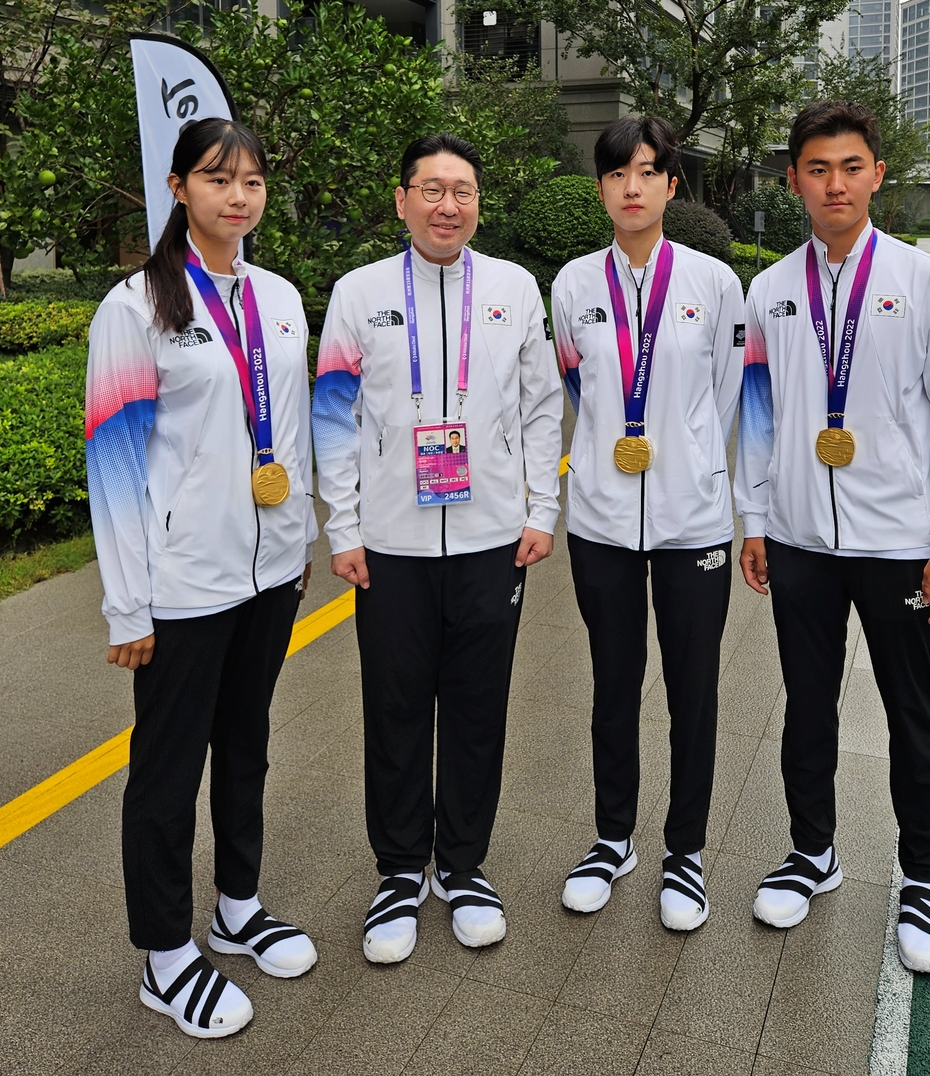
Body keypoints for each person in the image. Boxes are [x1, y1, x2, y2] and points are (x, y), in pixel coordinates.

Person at [735, 100, 930, 974]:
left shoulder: (925, 282)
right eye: (815, 168)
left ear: (877, 173)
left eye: (850, 167)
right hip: (800, 542)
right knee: (806, 705)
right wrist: (757, 520)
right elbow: (758, 420)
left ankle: (922, 881)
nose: (833, 184)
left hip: (901, 546)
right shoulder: (770, 292)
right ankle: (814, 852)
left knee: (913, 714)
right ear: (794, 178)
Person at [86, 117, 318, 1038]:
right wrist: (127, 603)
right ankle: (165, 955)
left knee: (248, 743)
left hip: (266, 574)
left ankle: (237, 905)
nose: (239, 195)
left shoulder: (282, 298)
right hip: (180, 584)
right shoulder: (137, 305)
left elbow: (288, 429)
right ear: (179, 188)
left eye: (253, 180)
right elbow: (113, 461)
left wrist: (295, 542)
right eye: (219, 178)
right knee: (167, 769)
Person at [312, 133, 562, 964]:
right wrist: (343, 527)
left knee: (478, 705)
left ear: (478, 204)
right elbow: (333, 421)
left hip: (494, 539)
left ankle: (461, 865)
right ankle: (397, 871)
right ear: (402, 200)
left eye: (463, 191)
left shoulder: (516, 289)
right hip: (390, 546)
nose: (447, 205)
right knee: (393, 705)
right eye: (432, 189)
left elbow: (539, 407)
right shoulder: (358, 294)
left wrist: (542, 509)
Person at [551, 116, 743, 931]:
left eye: (647, 172)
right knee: (612, 684)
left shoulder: (713, 284)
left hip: (693, 523)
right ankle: (612, 836)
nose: (631, 187)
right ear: (600, 188)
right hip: (599, 524)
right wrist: (608, 455)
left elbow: (727, 395)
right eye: (616, 173)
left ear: (671, 184)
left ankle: (686, 852)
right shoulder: (569, 286)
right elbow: (576, 392)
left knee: (693, 692)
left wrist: (693, 460)